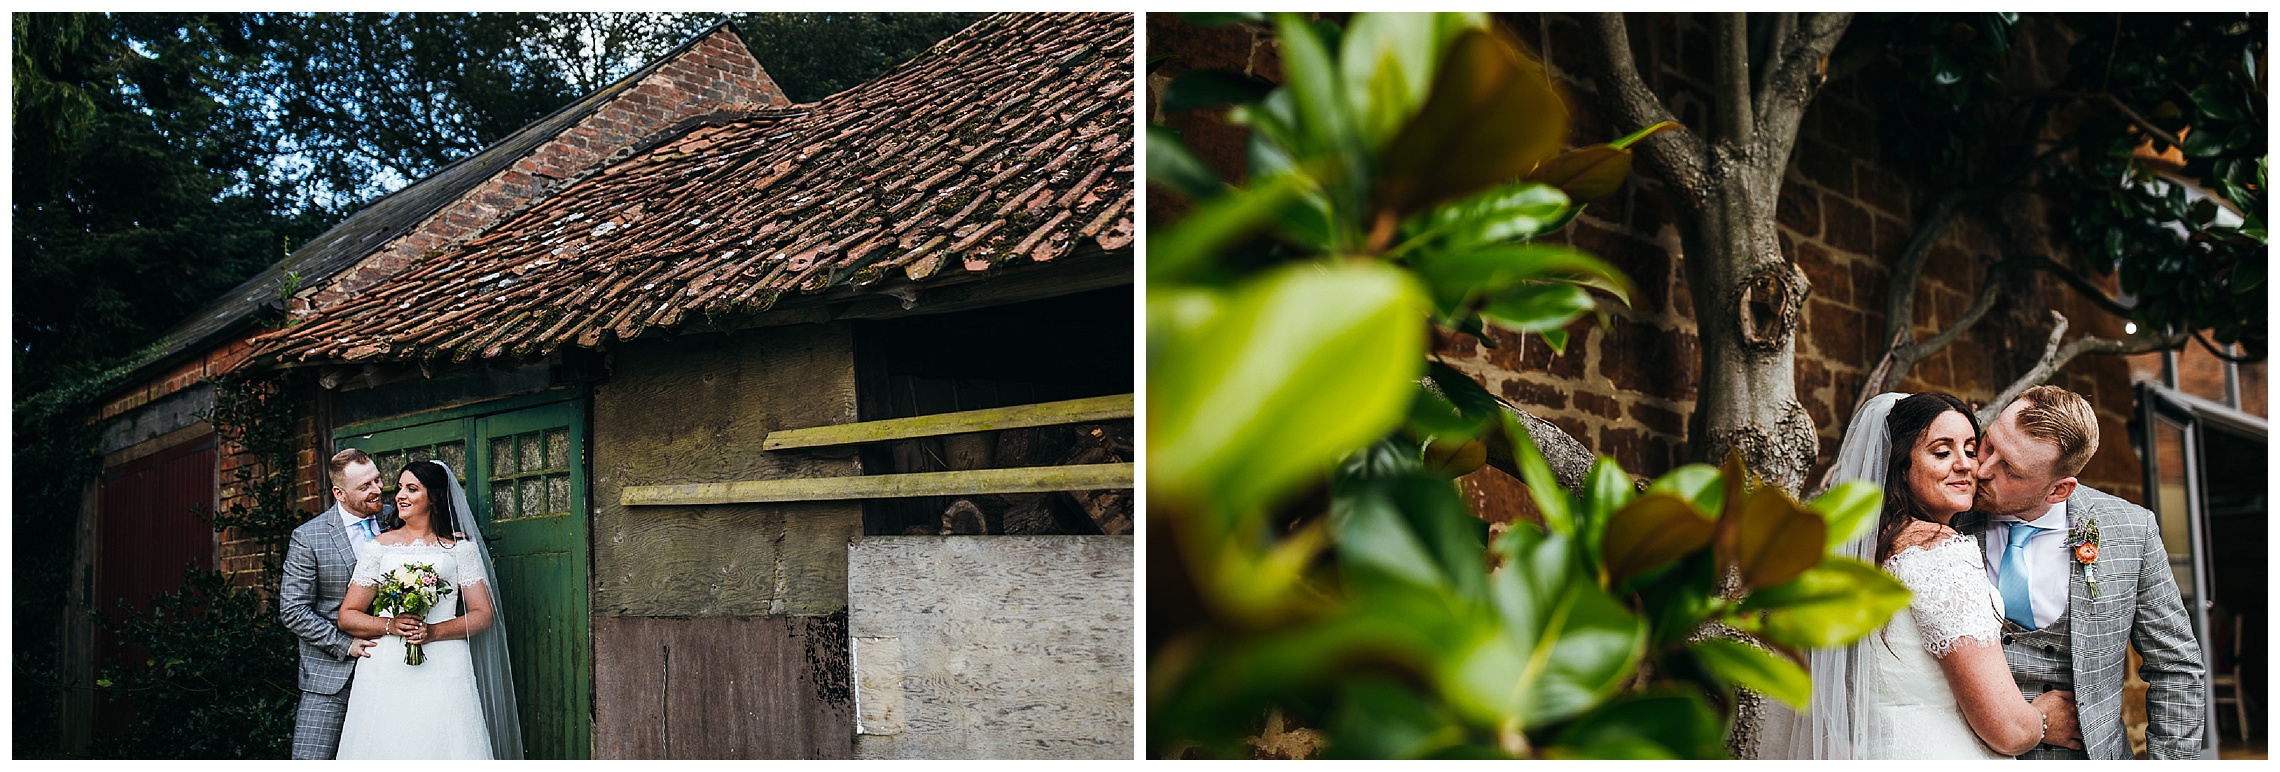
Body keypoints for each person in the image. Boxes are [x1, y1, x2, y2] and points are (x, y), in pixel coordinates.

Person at [1767, 392, 2079, 758]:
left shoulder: (1862, 549)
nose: (1969, 466)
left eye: (1970, 448)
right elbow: (2007, 731)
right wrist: (2042, 720)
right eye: (1942, 452)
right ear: (1900, 465)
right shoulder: (1942, 553)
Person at [1956, 385, 2205, 759]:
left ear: (2059, 490)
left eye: (2011, 469)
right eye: (1989, 444)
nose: (1983, 469)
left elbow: (2176, 666)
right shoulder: (1944, 512)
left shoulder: (2131, 531)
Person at [333, 460, 524, 759]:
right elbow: (348, 615)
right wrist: (390, 625)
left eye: (412, 489)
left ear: (433, 497)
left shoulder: (460, 548)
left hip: (445, 662)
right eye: (399, 489)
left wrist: (434, 631)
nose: (399, 496)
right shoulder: (379, 547)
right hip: (387, 667)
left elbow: (483, 614)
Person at [279, 449, 394, 760]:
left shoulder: (395, 520)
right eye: (365, 487)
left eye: (377, 479)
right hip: (330, 677)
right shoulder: (309, 537)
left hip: (393, 670)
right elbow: (293, 611)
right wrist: (346, 644)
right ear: (339, 493)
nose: (377, 490)